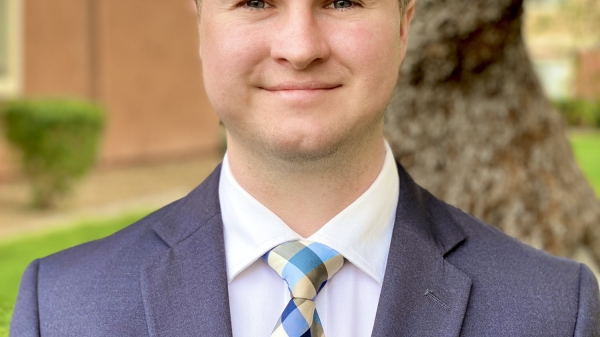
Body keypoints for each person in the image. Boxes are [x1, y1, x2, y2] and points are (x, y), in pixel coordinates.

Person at [10, 0, 600, 335]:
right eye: (257, 1)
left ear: (403, 25)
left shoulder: (551, 311)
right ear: (200, 25)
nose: (300, 45)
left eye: (342, 0)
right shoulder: (63, 309)